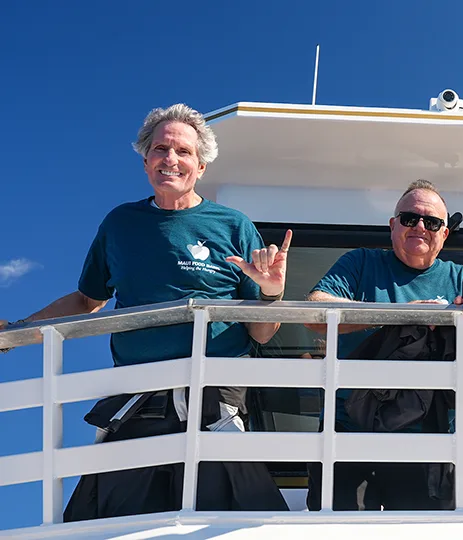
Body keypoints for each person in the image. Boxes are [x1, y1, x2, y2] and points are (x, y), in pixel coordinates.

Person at [1, 104, 290, 520]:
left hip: (215, 398)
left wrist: (271, 292)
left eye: (183, 151)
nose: (170, 159)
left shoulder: (232, 225)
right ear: (145, 161)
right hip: (138, 395)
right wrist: (15, 333)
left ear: (201, 166)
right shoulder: (120, 224)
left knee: (228, 521)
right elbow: (86, 301)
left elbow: (262, 333)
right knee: (111, 523)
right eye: (160, 149)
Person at [304, 179, 463, 511]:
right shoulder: (360, 262)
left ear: (444, 234)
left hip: (429, 439)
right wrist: (402, 314)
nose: (420, 226)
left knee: (420, 532)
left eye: (432, 222)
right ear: (393, 225)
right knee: (338, 532)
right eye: (410, 218)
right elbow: (314, 310)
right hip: (347, 430)